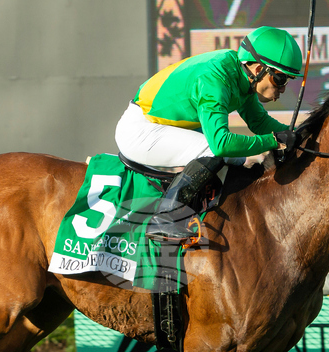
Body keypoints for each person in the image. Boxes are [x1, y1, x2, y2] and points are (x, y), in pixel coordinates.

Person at [116, 25, 303, 242]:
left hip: (163, 126)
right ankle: (166, 218)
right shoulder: (216, 79)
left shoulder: (241, 74)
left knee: (237, 159)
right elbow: (220, 143)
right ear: (257, 68)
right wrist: (272, 141)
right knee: (216, 151)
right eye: (279, 79)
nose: (283, 88)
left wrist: (298, 135)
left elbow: (259, 122)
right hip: (140, 130)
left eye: (287, 81)